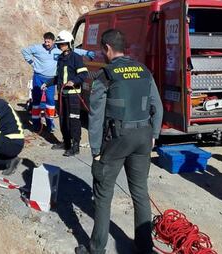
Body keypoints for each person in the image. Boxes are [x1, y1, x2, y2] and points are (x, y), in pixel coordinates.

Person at [75, 29, 163, 254]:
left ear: (107, 48)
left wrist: (95, 150)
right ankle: (145, 248)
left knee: (103, 195)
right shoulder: (144, 70)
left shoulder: (106, 74)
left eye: (102, 51)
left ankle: (96, 249)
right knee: (140, 192)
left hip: (116, 139)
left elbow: (95, 115)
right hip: (143, 136)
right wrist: (153, 135)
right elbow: (158, 107)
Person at [21, 32, 95, 133]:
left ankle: (50, 123)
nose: (46, 43)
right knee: (36, 102)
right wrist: (32, 63)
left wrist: (86, 52)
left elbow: (73, 50)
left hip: (51, 80)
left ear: (53, 41)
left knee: (50, 102)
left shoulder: (58, 48)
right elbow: (24, 50)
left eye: (48, 42)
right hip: (38, 78)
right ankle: (36, 124)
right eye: (45, 41)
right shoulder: (37, 48)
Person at [41, 30, 88, 157]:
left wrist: (74, 81)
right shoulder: (61, 58)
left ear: (69, 43)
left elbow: (84, 74)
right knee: (63, 119)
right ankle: (66, 143)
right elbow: (59, 77)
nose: (61, 46)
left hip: (73, 95)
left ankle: (75, 145)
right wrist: (48, 83)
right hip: (62, 95)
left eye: (63, 44)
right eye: (60, 44)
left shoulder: (76, 58)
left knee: (73, 120)